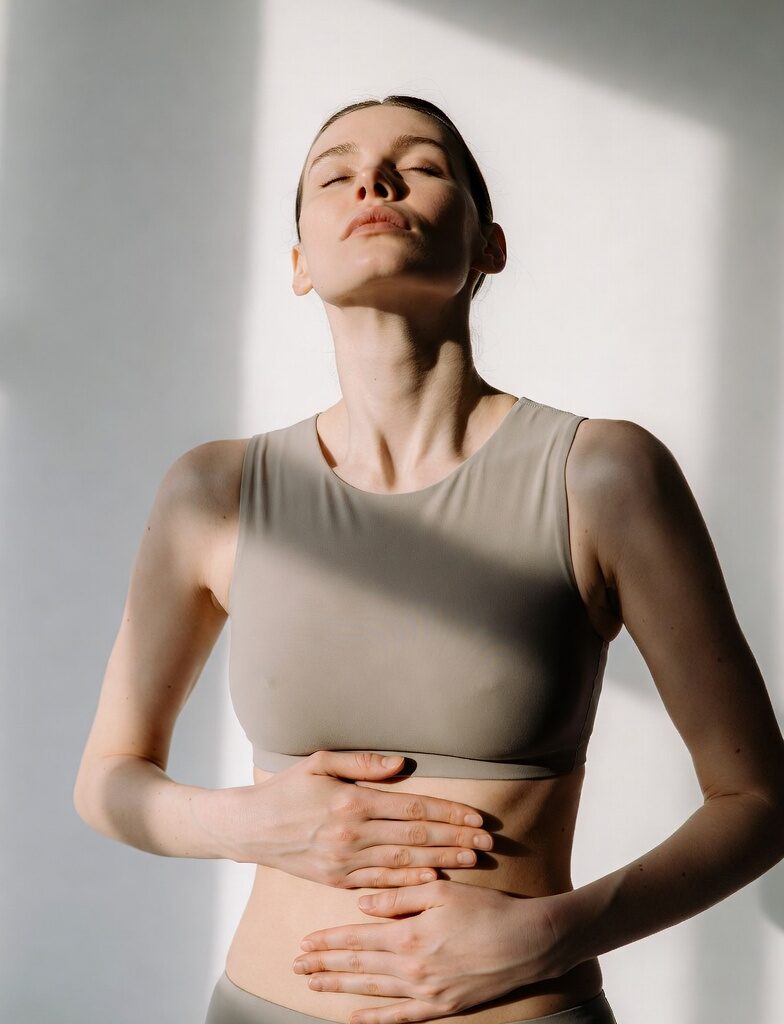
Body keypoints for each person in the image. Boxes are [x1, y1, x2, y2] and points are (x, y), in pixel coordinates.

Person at [73, 95, 784, 1024]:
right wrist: (243, 823)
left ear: (489, 245)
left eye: (420, 165)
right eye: (334, 174)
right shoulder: (215, 491)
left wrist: (551, 934)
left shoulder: (604, 474)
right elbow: (108, 780)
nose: (373, 182)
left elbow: (758, 799)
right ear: (299, 264)